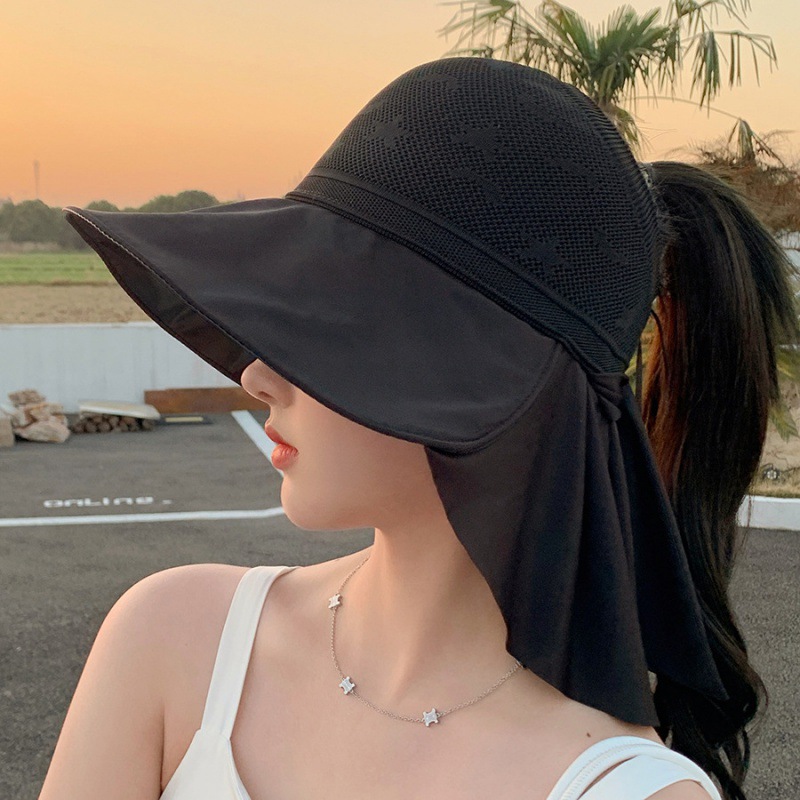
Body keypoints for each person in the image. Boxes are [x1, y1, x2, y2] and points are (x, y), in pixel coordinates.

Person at [40, 57, 798, 800]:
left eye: (327, 327)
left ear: (484, 375)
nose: (257, 375)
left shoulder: (623, 788)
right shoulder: (175, 640)